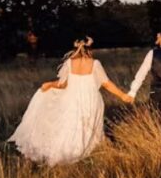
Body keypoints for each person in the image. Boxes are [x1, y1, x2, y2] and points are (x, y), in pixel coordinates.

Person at [8, 36, 133, 166]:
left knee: (72, 126)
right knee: (87, 127)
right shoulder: (95, 63)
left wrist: (50, 84)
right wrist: (122, 95)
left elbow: (62, 84)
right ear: (90, 49)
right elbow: (106, 84)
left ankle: (68, 152)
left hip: (72, 99)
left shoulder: (69, 63)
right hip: (90, 100)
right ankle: (84, 152)